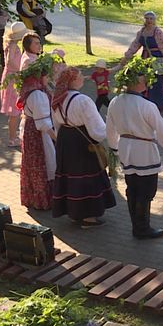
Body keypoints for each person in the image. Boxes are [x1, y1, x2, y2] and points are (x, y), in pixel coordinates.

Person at [106, 57, 163, 239]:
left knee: (133, 188)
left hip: (126, 149)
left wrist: (115, 149)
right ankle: (142, 228)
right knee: (146, 190)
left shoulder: (115, 102)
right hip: (144, 151)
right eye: (144, 78)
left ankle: (137, 226)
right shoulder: (147, 105)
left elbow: (110, 129)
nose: (147, 80)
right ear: (137, 81)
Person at [51, 67, 116, 228]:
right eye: (80, 77)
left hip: (65, 140)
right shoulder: (83, 100)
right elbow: (96, 129)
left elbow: (56, 123)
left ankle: (74, 213)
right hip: (81, 142)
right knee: (86, 176)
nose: (82, 79)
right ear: (73, 81)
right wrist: (108, 134)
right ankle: (88, 217)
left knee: (69, 175)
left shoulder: (58, 97)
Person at [16, 54, 59, 210]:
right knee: (45, 162)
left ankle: (33, 198)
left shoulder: (32, 91)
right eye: (46, 76)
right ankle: (44, 200)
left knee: (32, 164)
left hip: (30, 130)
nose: (48, 79)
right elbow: (44, 124)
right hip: (37, 134)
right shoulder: (38, 95)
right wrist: (57, 140)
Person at [123, 11, 163, 112]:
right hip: (145, 58)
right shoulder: (141, 32)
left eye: (151, 19)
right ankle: (145, 102)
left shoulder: (158, 32)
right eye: (147, 18)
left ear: (154, 20)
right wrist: (127, 55)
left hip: (158, 59)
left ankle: (158, 104)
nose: (149, 21)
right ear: (144, 20)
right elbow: (135, 44)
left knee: (158, 81)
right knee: (144, 79)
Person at [0, 22, 28, 147]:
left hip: (12, 76)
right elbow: (10, 61)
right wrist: (21, 69)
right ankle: (12, 138)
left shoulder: (11, 44)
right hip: (13, 78)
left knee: (15, 111)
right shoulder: (12, 47)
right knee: (14, 111)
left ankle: (13, 135)